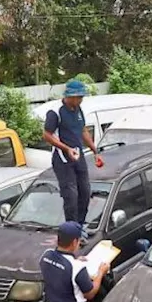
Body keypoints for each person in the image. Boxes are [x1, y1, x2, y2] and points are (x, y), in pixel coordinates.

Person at [43, 80, 104, 226]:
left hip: (78, 155)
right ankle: (71, 229)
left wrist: (95, 151)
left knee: (85, 192)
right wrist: (66, 148)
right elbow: (47, 135)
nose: (81, 100)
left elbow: (83, 130)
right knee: (71, 195)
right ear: (70, 96)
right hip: (62, 159)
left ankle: (80, 225)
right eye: (79, 97)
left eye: (82, 97)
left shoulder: (78, 109)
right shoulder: (56, 111)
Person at [40, 221, 110, 302]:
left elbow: (59, 266)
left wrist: (76, 260)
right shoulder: (77, 268)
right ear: (74, 242)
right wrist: (100, 273)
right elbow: (90, 294)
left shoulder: (46, 256)